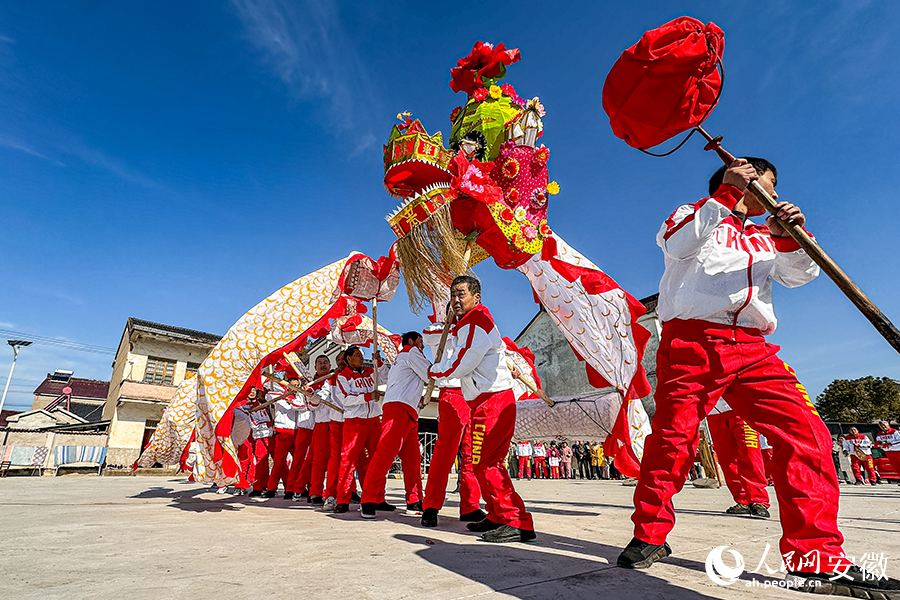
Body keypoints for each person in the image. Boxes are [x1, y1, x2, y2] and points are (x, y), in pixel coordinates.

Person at [618, 157, 900, 596]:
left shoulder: (764, 237)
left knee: (808, 434)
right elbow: (676, 245)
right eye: (756, 184)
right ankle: (650, 533)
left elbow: (797, 276)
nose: (765, 193)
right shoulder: (695, 213)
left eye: (770, 187)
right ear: (731, 180)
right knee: (674, 439)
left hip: (753, 346)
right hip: (692, 343)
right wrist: (726, 195)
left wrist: (789, 237)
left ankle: (816, 560)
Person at [428, 275, 535, 543]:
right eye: (452, 295)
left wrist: (436, 371)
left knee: (487, 463)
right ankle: (499, 515)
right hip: (482, 402)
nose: (455, 300)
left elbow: (466, 359)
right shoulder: (467, 322)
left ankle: (516, 520)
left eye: (461, 294)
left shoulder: (476, 320)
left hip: (494, 401)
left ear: (476, 297)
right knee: (479, 463)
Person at [421, 320, 485, 527]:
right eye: (455, 299)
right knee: (445, 450)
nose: (459, 303)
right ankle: (430, 506)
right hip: (452, 391)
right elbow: (428, 337)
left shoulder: (476, 329)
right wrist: (454, 326)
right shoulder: (438, 329)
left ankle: (470, 506)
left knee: (472, 452)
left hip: (474, 393)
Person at [361, 331, 429, 519]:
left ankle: (414, 500)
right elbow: (430, 373)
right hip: (399, 408)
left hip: (409, 410)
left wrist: (379, 363)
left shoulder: (401, 359)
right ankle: (368, 498)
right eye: (420, 341)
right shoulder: (411, 353)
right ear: (411, 341)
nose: (423, 346)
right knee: (385, 454)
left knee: (412, 460)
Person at [333, 345, 389, 513]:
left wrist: (378, 363)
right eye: (358, 355)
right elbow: (345, 400)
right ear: (348, 359)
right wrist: (367, 397)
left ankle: (379, 497)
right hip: (354, 422)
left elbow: (387, 378)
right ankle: (343, 499)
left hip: (373, 421)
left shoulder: (370, 371)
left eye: (361, 354)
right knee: (348, 460)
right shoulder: (342, 376)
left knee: (377, 460)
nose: (361, 357)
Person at [706, 400, 770, 518]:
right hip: (713, 414)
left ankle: (758, 500)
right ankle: (742, 500)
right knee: (727, 460)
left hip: (741, 410)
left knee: (750, 456)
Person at [264, 374, 306, 499]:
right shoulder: (279, 396)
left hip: (297, 432)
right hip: (282, 432)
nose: (295, 388)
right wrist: (284, 395)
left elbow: (304, 407)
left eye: (297, 386)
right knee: (279, 463)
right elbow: (268, 396)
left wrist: (292, 400)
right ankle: (272, 488)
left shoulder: (300, 397)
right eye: (293, 386)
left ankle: (298, 487)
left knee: (299, 462)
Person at [306, 355, 334, 506]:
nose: (323, 365)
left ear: (330, 365)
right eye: (319, 363)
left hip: (338, 423)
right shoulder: (311, 385)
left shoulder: (335, 379)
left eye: (325, 363)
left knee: (338, 460)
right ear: (315, 367)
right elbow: (310, 406)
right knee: (319, 461)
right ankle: (315, 492)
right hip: (322, 425)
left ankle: (347, 491)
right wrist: (314, 401)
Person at [322, 351, 348, 511]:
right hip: (337, 422)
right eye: (337, 360)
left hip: (356, 422)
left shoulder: (360, 375)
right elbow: (323, 394)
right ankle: (331, 494)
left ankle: (365, 495)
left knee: (356, 460)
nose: (340, 362)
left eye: (343, 359)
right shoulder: (331, 379)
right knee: (335, 460)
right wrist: (315, 397)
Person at [245, 387, 274, 497]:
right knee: (261, 462)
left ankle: (286, 486)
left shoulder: (273, 403)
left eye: (265, 391)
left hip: (275, 435)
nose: (263, 394)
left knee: (280, 463)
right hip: (261, 436)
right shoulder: (253, 407)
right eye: (261, 392)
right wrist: (268, 424)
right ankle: (259, 486)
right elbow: (254, 422)